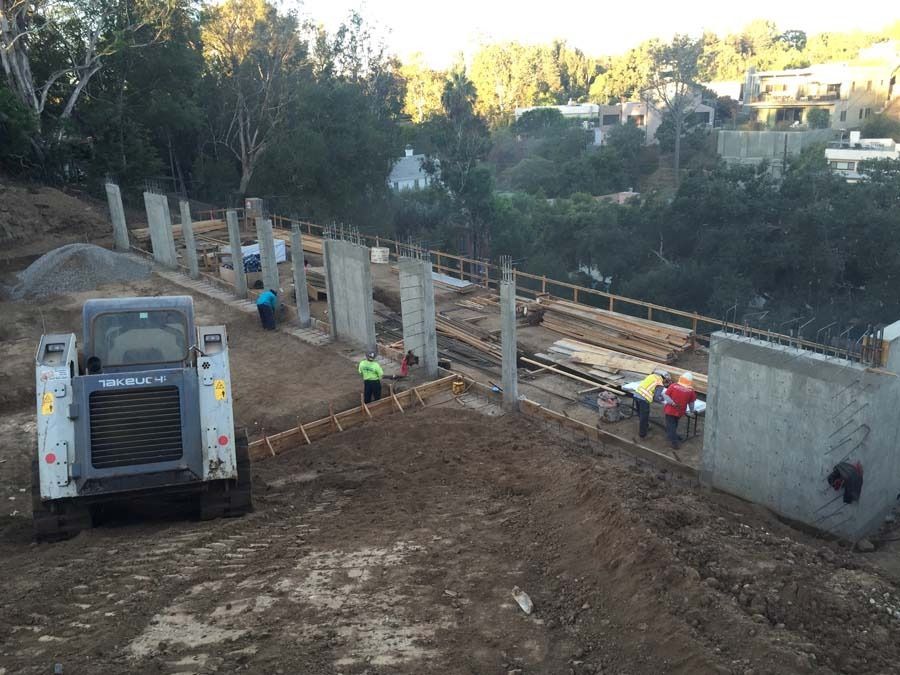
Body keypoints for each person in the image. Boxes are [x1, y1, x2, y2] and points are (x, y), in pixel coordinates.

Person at [663, 372, 697, 450]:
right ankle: (673, 436)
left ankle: (674, 443)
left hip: (670, 410)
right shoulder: (690, 391)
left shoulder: (673, 386)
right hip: (680, 411)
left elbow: (665, 395)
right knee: (674, 424)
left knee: (670, 425)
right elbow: (691, 403)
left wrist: (671, 402)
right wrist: (692, 411)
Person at [633, 369, 671, 439]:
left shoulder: (652, 376)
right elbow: (656, 398)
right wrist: (662, 400)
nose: (666, 383)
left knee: (640, 413)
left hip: (636, 394)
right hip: (644, 399)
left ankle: (646, 427)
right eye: (667, 381)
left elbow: (650, 387)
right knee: (644, 417)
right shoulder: (660, 384)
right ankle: (642, 434)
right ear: (664, 378)